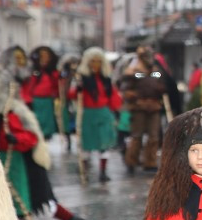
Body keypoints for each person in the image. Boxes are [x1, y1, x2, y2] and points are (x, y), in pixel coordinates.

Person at [0, 68, 88, 220]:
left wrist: (14, 139)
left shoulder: (12, 111)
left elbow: (30, 137)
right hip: (10, 162)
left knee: (36, 202)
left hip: (22, 164)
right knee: (27, 203)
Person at [68, 47, 122, 183]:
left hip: (103, 113)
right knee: (86, 144)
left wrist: (115, 109)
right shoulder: (82, 79)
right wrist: (78, 89)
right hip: (88, 114)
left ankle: (103, 172)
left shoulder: (106, 79)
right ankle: (84, 171)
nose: (96, 64)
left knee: (104, 144)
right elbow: (72, 94)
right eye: (93, 61)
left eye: (98, 61)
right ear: (88, 62)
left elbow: (113, 96)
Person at [121, 46, 168, 174]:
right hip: (139, 107)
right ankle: (132, 161)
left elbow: (161, 83)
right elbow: (126, 88)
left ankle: (150, 162)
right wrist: (134, 97)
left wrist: (160, 88)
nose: (149, 58)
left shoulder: (155, 71)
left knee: (153, 136)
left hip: (154, 106)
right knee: (137, 136)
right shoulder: (134, 71)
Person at [22, 46, 62, 141]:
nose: (44, 59)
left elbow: (57, 88)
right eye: (41, 56)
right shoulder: (32, 72)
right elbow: (27, 87)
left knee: (47, 126)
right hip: (35, 101)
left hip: (47, 101)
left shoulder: (53, 73)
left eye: (46, 56)